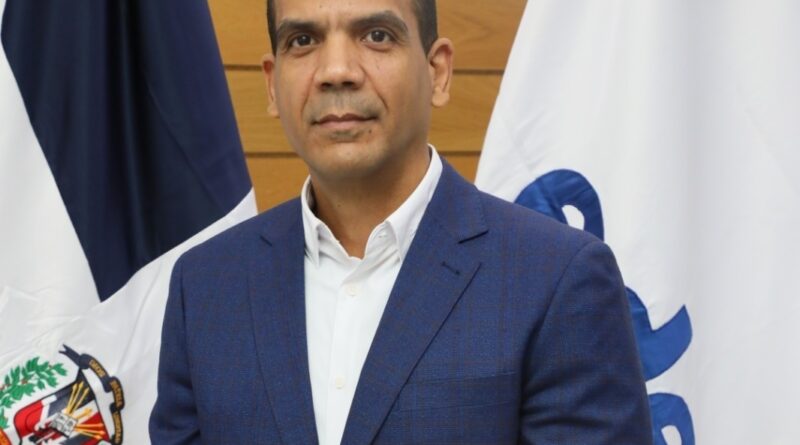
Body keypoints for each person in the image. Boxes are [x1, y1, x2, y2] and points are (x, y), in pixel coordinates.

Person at [149, 0, 653, 443]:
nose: (336, 70)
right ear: (272, 84)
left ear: (438, 72)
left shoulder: (556, 278)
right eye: (302, 41)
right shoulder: (205, 286)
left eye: (376, 35)